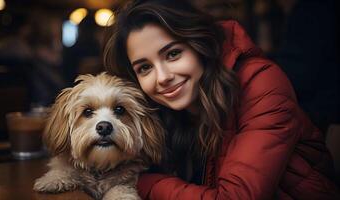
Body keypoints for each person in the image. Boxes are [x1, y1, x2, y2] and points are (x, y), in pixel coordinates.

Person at [103, 0, 340, 199]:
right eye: (145, 68)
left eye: (173, 54)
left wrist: (141, 183)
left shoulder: (261, 82)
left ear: (199, 44)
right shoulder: (160, 107)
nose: (162, 77)